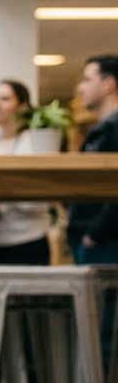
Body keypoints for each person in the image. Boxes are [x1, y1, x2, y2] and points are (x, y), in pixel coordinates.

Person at [0, 79, 51, 266]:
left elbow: (42, 195)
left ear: (22, 106)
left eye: (5, 99)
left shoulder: (36, 142)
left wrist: (2, 201)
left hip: (28, 238)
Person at [68, 55, 118, 264]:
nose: (80, 88)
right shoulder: (101, 129)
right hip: (92, 238)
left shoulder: (114, 129)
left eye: (88, 80)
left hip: (105, 242)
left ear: (108, 84)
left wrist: (96, 233)